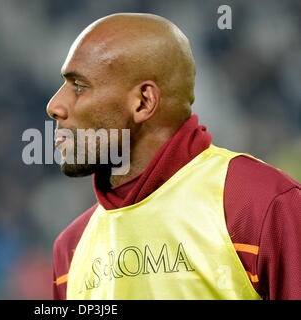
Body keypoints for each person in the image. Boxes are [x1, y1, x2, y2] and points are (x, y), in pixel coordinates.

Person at [47, 13, 301, 300]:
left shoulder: (260, 206)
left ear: (143, 101)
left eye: (79, 86)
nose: (54, 105)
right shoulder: (69, 251)